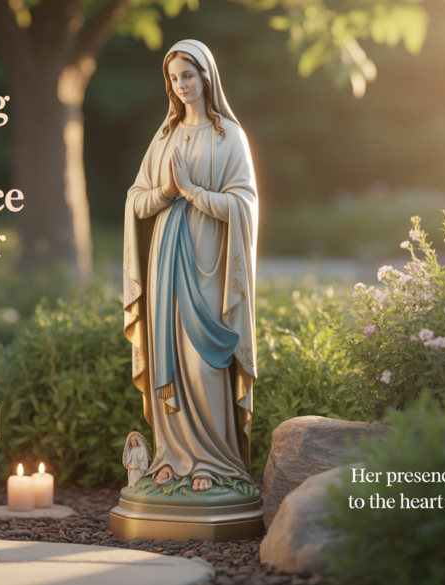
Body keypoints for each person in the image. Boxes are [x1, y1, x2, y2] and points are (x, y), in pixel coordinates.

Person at [123, 39, 258, 493]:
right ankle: (172, 455)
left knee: (204, 362)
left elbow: (244, 205)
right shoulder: (163, 137)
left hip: (209, 263)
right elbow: (137, 200)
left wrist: (192, 190)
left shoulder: (228, 137)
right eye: (174, 78)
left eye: (188, 75)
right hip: (165, 260)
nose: (181, 85)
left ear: (206, 78)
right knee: (169, 359)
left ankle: (213, 460)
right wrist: (165, 192)